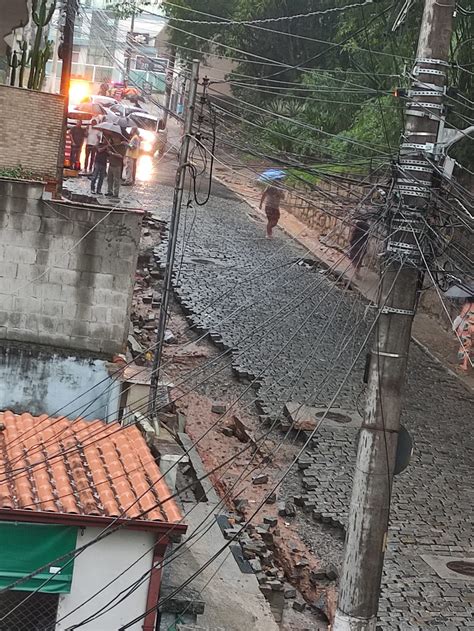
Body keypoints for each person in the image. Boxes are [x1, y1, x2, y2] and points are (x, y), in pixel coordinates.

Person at [454, 297, 474, 372]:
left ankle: (465, 364)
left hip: (468, 328)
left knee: (466, 346)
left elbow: (462, 316)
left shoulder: (468, 305)